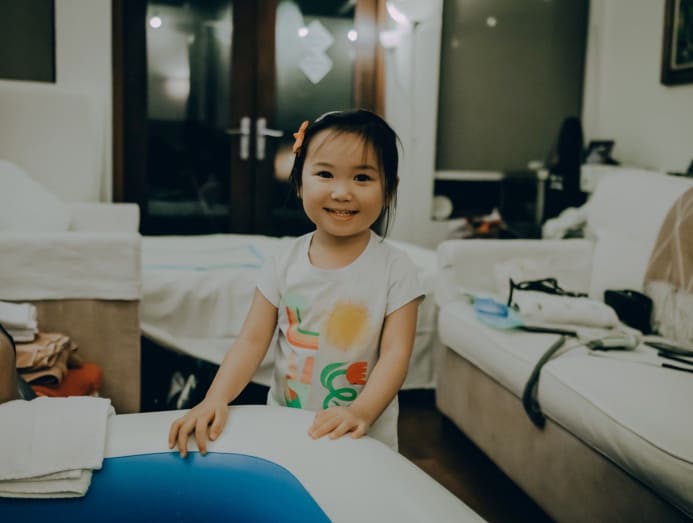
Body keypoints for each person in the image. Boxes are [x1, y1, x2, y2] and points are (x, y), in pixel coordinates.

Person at [169, 109, 424, 455]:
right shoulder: (283, 261)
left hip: (359, 436)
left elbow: (396, 354)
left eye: (362, 178)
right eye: (325, 174)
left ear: (390, 189)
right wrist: (215, 398)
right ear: (300, 183)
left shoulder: (396, 269)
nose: (342, 192)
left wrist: (361, 411)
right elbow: (252, 340)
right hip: (286, 427)